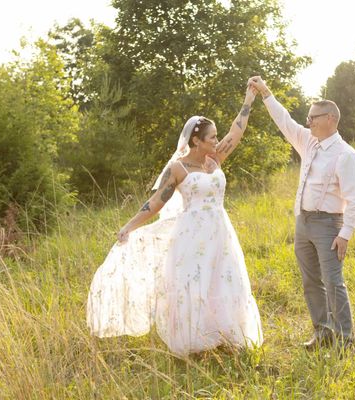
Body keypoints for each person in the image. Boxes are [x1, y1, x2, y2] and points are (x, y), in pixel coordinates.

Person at [86, 85, 263, 358]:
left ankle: (227, 336)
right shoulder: (178, 169)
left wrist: (248, 100)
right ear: (196, 141)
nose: (217, 141)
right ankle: (197, 343)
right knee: (195, 283)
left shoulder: (216, 158)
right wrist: (129, 226)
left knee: (225, 280)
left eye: (217, 137)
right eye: (212, 137)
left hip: (220, 231)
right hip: (191, 234)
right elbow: (157, 202)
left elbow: (237, 131)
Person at [248, 76, 355, 351]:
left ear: (331, 119)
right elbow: (284, 120)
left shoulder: (345, 155)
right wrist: (265, 93)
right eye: (308, 117)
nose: (308, 122)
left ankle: (345, 341)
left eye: (313, 117)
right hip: (304, 221)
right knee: (311, 281)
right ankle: (323, 332)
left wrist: (345, 234)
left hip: (328, 225)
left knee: (334, 283)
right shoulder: (308, 142)